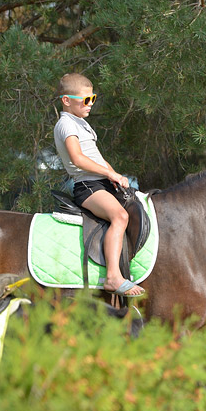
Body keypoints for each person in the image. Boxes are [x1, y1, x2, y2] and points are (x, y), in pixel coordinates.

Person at [53, 72, 144, 297]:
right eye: (86, 100)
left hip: (101, 182)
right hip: (88, 186)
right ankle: (112, 277)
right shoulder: (66, 124)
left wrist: (114, 174)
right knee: (120, 217)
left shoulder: (81, 123)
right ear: (66, 100)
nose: (91, 104)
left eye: (93, 98)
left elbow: (97, 157)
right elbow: (78, 159)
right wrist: (108, 174)